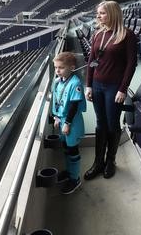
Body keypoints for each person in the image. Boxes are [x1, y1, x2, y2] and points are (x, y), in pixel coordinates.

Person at [84, 1, 137, 180]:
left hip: (114, 88)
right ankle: (98, 162)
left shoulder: (127, 35)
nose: (98, 16)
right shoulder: (98, 34)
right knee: (100, 124)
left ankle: (110, 161)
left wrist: (123, 89)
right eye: (97, 13)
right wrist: (88, 85)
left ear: (113, 14)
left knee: (112, 124)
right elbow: (91, 61)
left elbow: (131, 65)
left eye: (102, 13)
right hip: (97, 86)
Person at [51, 52, 87, 194]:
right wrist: (56, 117)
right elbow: (56, 101)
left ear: (71, 68)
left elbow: (73, 106)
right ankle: (69, 172)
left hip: (72, 123)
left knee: (72, 149)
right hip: (62, 121)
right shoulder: (58, 82)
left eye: (61, 67)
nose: (57, 71)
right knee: (66, 147)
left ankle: (75, 178)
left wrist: (67, 123)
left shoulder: (75, 83)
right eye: (56, 68)